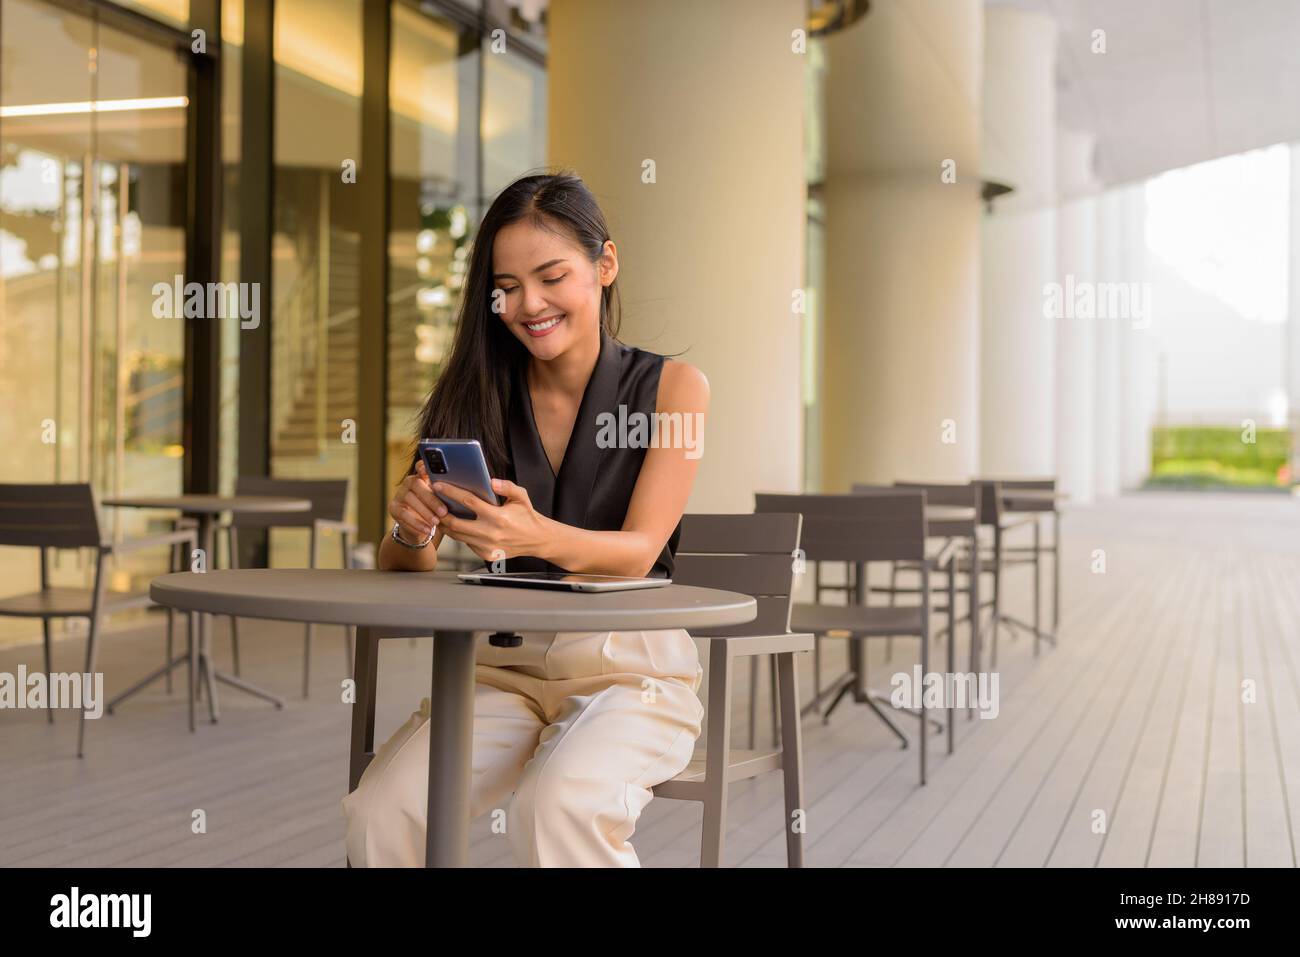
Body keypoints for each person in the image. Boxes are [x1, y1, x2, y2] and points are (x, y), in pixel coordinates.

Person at [342, 171, 710, 867]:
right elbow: (402, 572)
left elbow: (638, 551)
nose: (528, 303)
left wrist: (531, 535)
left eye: (551, 276)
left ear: (604, 265)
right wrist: (411, 526)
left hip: (630, 671)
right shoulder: (475, 391)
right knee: (380, 811)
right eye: (506, 286)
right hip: (501, 669)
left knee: (556, 805)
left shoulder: (673, 389)